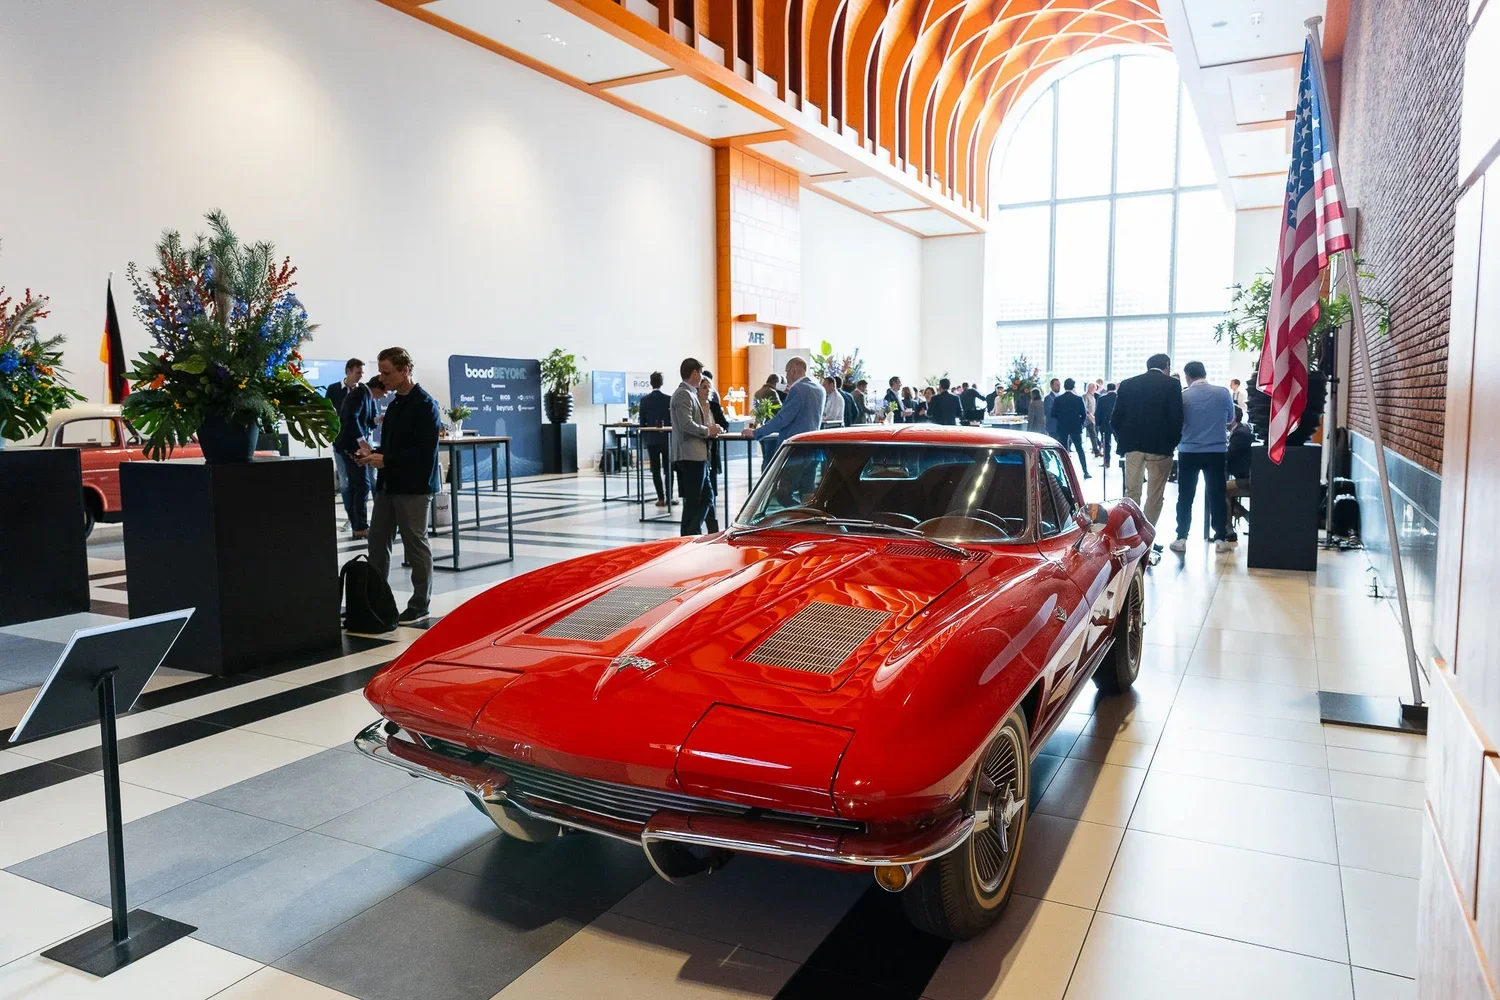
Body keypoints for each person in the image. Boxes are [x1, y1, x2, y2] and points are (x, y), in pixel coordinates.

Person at [357, 347, 440, 625]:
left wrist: (386, 459)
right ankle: (378, 599)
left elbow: (424, 453)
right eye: (381, 372)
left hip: (414, 487)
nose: (382, 378)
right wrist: (372, 455)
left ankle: (420, 604)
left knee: (415, 544)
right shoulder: (393, 405)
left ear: (405, 370)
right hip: (388, 485)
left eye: (387, 372)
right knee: (378, 542)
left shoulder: (425, 405)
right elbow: (394, 447)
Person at [1171, 360, 1236, 554]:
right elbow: (1230, 419)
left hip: (1189, 451)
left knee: (1185, 496)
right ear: (1204, 373)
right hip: (1216, 451)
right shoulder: (1223, 393)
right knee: (1216, 494)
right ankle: (1220, 538)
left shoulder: (1183, 397)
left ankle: (1181, 537)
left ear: (1187, 376)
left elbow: (1178, 422)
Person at [1111, 353, 1182, 528]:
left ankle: (1131, 533)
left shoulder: (1128, 384)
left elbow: (1115, 419)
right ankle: (1147, 535)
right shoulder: (1172, 385)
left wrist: (1124, 439)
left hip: (1133, 446)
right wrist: (1173, 442)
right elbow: (1177, 418)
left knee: (1132, 492)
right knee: (1155, 496)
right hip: (1161, 447)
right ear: (1167, 365)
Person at [670, 357, 720, 536]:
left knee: (707, 497)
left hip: (698, 455)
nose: (701, 376)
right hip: (690, 455)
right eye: (699, 373)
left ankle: (694, 531)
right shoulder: (683, 394)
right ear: (694, 373)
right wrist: (708, 431)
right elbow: (686, 424)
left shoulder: (690, 393)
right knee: (694, 500)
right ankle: (689, 535)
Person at [333, 374, 386, 539]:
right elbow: (350, 418)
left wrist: (377, 420)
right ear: (378, 386)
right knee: (361, 485)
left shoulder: (367, 396)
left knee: (361, 484)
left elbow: (366, 421)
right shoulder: (360, 393)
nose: (385, 395)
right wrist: (361, 440)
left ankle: (359, 524)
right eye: (384, 391)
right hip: (350, 446)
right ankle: (360, 526)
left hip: (352, 446)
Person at [746, 356, 824, 456]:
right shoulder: (819, 389)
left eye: (786, 372)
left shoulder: (797, 389)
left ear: (793, 371)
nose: (786, 376)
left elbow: (783, 418)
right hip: (812, 448)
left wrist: (756, 432)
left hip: (794, 449)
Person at [638, 371, 673, 508]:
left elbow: (642, 423)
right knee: (668, 469)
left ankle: (660, 498)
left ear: (650, 383)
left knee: (655, 469)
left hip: (652, 439)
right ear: (662, 382)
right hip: (666, 438)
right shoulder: (668, 399)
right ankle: (669, 497)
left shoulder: (644, 401)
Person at [698, 375, 728, 532]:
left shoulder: (714, 406)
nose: (707, 390)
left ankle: (712, 529)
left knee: (711, 491)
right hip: (698, 452)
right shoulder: (694, 406)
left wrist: (719, 428)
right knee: (703, 493)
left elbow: (725, 424)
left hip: (712, 452)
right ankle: (703, 526)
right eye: (704, 387)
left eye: (708, 387)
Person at [1052, 378, 1091, 478]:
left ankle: (1063, 472)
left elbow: (1053, 414)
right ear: (1073, 386)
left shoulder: (1058, 399)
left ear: (1064, 386)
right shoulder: (1078, 399)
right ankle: (1085, 471)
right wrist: (1080, 424)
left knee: (1063, 450)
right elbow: (1084, 414)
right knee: (1079, 449)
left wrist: (1061, 419)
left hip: (1062, 427)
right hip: (1075, 427)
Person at [1226, 405, 1253, 542]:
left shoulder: (1240, 434)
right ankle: (1245, 515)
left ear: (1233, 417)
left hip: (1249, 481)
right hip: (1248, 477)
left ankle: (1229, 530)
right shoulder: (1242, 429)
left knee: (1220, 489)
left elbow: (1228, 456)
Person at [1095, 382, 1118, 467]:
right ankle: (1123, 459)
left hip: (1105, 425)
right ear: (1114, 388)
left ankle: (1107, 462)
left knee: (1106, 444)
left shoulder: (1102, 398)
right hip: (1117, 424)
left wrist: (1098, 424)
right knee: (1119, 441)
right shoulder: (1118, 397)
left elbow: (1098, 412)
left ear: (1107, 389)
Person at [1083, 381, 1100, 456]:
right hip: (1086, 419)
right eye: (1094, 388)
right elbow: (1085, 408)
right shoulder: (1085, 396)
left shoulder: (1093, 396)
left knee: (1093, 435)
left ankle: (1096, 451)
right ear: (1089, 388)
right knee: (1076, 434)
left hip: (1091, 420)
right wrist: (1090, 416)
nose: (1095, 389)